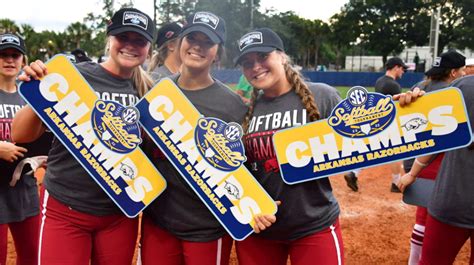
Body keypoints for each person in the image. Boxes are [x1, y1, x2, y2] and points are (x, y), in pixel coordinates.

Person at [11, 7, 155, 265]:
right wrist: (37, 92)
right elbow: (20, 134)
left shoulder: (151, 92)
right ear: (110, 38)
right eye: (124, 37)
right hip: (64, 209)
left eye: (139, 40)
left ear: (149, 48)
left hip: (119, 214)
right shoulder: (76, 75)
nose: (130, 46)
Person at [140, 11, 247, 265]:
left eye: (207, 42)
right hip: (159, 222)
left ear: (217, 53)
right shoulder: (156, 93)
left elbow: (241, 167)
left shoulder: (232, 105)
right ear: (180, 44)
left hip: (208, 227)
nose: (197, 46)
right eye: (192, 38)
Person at [234, 28, 344, 265]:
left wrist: (407, 107)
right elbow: (235, 171)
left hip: (314, 224)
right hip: (259, 228)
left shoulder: (322, 96)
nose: (255, 67)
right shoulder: (243, 112)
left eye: (262, 57)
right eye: (247, 62)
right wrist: (250, 203)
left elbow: (366, 134)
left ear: (282, 56)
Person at [396, 74, 474, 265]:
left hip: (452, 199)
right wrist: (418, 107)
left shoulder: (464, 86)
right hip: (451, 201)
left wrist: (413, 172)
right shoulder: (464, 86)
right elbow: (437, 132)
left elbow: (436, 135)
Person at [0, 32, 43, 265]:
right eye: (3, 55)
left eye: (15, 55)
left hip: (24, 187)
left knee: (31, 256)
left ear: (23, 61)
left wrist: (42, 158)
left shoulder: (30, 98)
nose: (9, 60)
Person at [375, 57, 408, 193]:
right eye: (402, 68)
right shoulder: (393, 85)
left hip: (378, 120)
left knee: (372, 149)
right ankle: (395, 182)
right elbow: (398, 107)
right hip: (389, 122)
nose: (403, 72)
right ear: (396, 67)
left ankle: (354, 173)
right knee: (396, 151)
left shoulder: (379, 81)